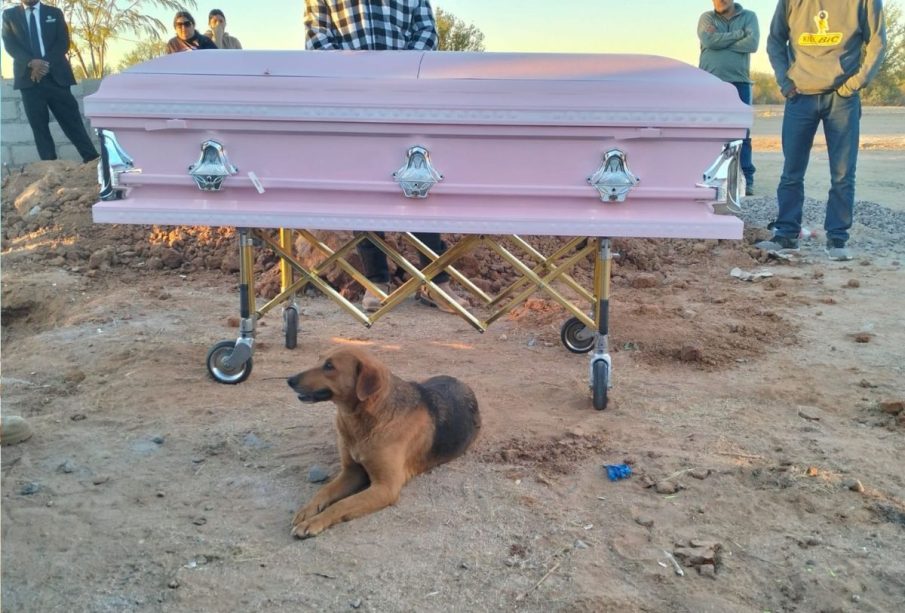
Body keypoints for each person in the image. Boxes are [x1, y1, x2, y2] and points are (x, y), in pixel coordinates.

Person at [304, 0, 468, 314]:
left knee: (418, 180)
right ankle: (376, 280)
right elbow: (317, 39)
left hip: (408, 95)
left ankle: (434, 282)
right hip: (351, 98)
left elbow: (426, 33)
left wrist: (397, 73)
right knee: (364, 190)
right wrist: (363, 75)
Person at [758, 0, 887, 261]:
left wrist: (855, 84)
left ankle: (837, 238)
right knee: (791, 171)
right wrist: (784, 81)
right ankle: (786, 233)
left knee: (842, 173)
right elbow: (775, 41)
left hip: (842, 98)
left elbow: (877, 42)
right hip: (799, 96)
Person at [1, 0, 99, 163]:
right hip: (29, 79)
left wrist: (43, 65)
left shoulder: (54, 13)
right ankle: (50, 166)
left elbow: (63, 43)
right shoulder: (10, 15)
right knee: (39, 126)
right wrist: (31, 63)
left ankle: (91, 160)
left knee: (72, 122)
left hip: (57, 78)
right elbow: (10, 45)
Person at [698, 0, 759, 195]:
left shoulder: (749, 17)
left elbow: (752, 43)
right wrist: (739, 34)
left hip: (739, 82)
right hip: (709, 82)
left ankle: (745, 179)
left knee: (742, 133)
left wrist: (720, 40)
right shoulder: (706, 17)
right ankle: (707, 176)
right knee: (708, 131)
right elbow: (708, 41)